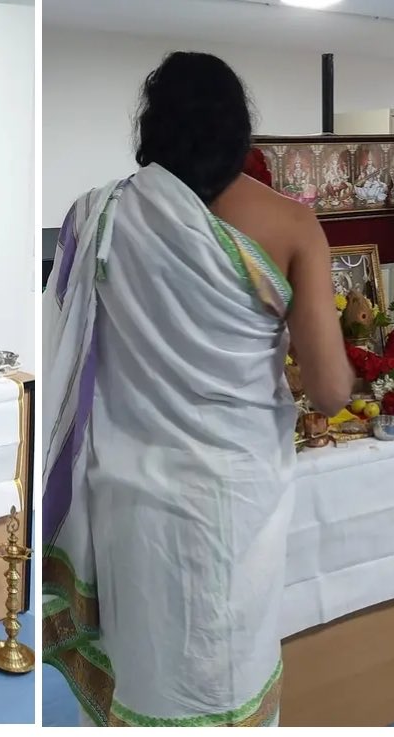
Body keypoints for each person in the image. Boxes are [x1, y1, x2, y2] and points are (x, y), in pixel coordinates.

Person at [42, 51, 354, 728]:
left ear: (152, 130)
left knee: (150, 679)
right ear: (238, 131)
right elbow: (331, 391)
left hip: (135, 502)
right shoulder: (293, 225)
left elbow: (66, 354)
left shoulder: (97, 215)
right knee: (226, 679)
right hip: (238, 503)